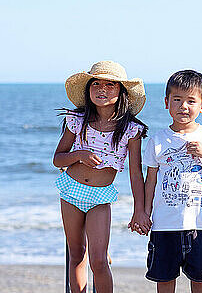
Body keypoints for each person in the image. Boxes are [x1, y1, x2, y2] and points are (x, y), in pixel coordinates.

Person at [53, 60, 150, 293]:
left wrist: (140, 210)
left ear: (122, 91)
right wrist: (79, 155)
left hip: (100, 197)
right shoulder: (76, 120)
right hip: (70, 191)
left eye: (110, 85)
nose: (102, 89)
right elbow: (58, 159)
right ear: (88, 89)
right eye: (96, 83)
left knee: (98, 260)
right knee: (77, 253)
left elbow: (136, 174)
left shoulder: (131, 129)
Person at [141, 70, 202, 293]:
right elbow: (150, 180)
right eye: (177, 100)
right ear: (167, 103)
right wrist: (145, 212)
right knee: (164, 278)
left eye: (191, 101)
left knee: (200, 276)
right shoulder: (157, 141)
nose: (184, 106)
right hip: (165, 223)